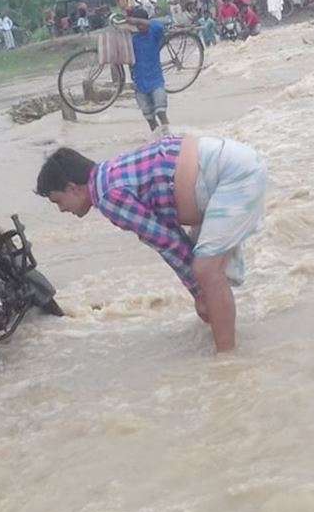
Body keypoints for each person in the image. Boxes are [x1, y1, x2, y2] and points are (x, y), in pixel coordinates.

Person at [36, 136, 268, 352]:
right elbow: (170, 234)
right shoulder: (110, 173)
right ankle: (225, 343)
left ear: (72, 188)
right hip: (229, 162)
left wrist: (198, 292)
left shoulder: (109, 196)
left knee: (206, 272)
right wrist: (199, 292)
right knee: (208, 276)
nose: (61, 209)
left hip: (232, 175)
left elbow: (167, 241)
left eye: (58, 201)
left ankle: (227, 361)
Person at [121, 7, 171, 136]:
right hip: (139, 84)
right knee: (149, 118)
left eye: (142, 24)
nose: (140, 27)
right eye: (138, 25)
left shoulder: (154, 34)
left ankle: (168, 136)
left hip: (156, 82)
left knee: (161, 111)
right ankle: (157, 139)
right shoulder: (134, 39)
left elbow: (158, 25)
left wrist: (135, 20)